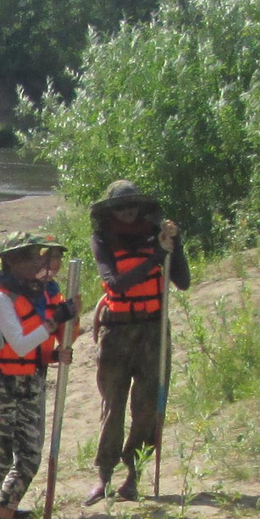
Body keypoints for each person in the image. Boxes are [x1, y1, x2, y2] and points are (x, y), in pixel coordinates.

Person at [0, 231, 77, 519]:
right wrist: (53, 322)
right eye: (33, 258)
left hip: (31, 380)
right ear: (13, 262)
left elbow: (34, 347)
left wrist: (54, 352)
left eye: (41, 258)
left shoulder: (39, 296)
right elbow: (18, 344)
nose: (42, 265)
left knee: (29, 458)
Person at [86, 183, 190, 502]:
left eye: (132, 206)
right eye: (121, 207)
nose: (128, 212)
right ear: (110, 211)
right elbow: (116, 285)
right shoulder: (102, 239)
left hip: (154, 330)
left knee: (148, 407)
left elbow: (183, 282)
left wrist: (176, 246)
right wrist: (158, 254)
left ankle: (133, 475)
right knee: (112, 405)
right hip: (116, 332)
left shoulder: (156, 234)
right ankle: (104, 476)